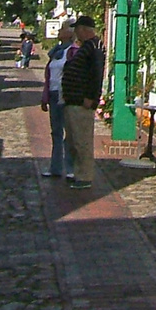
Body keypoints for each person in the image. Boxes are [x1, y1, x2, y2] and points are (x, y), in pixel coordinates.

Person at [60, 15, 104, 189]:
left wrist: (91, 97)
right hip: (73, 100)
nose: (75, 32)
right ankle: (78, 173)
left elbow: (96, 73)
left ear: (84, 29)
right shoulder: (86, 46)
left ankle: (84, 177)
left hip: (81, 102)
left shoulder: (94, 47)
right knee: (73, 140)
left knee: (82, 141)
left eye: (77, 28)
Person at [40, 23, 75, 178]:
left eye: (62, 29)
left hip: (66, 95)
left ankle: (70, 168)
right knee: (56, 132)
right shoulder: (55, 52)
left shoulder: (72, 51)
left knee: (69, 132)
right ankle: (55, 168)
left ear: (69, 33)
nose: (59, 32)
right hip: (54, 95)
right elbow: (49, 77)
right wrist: (45, 96)